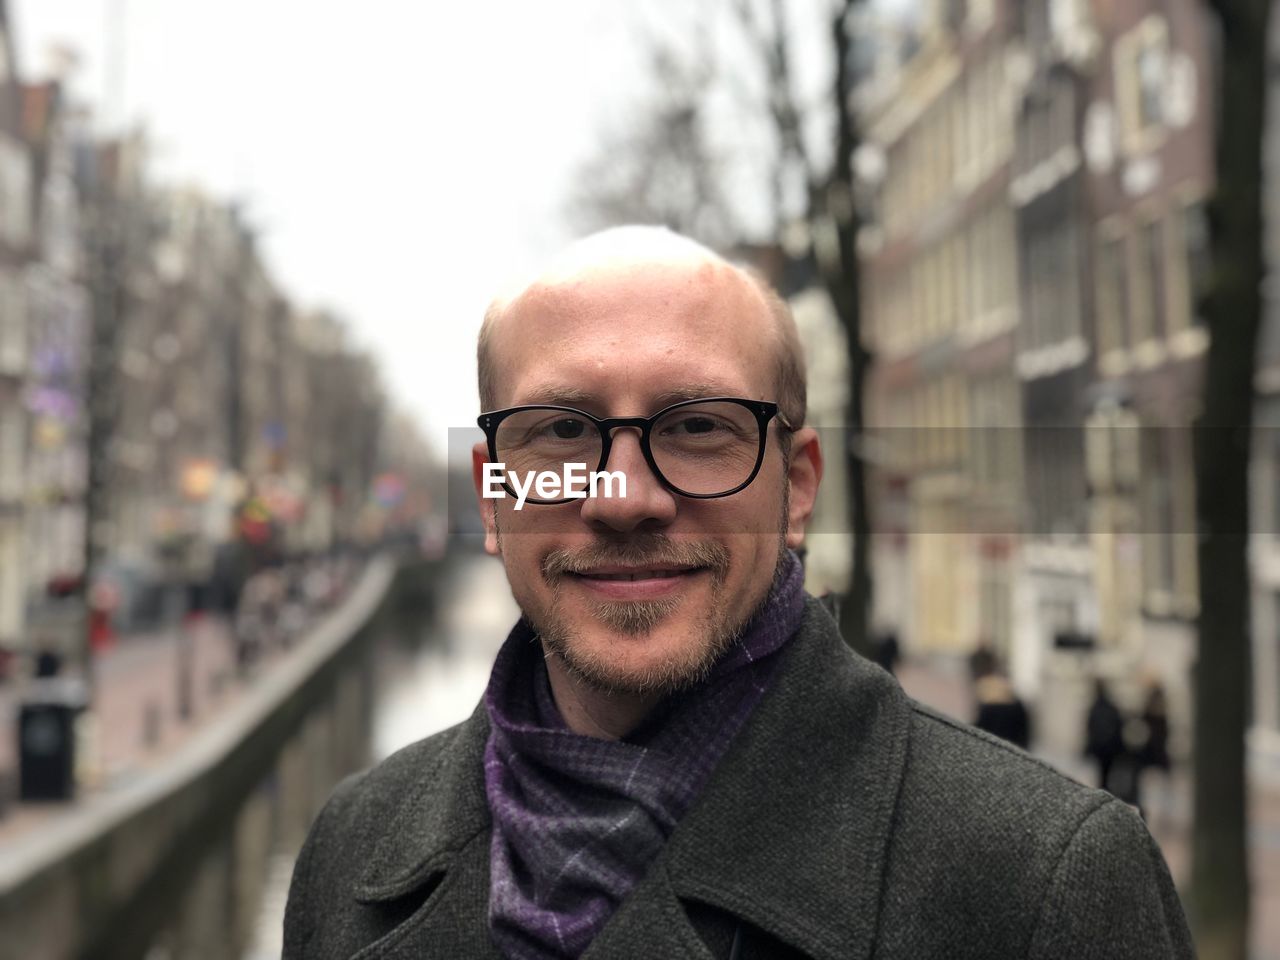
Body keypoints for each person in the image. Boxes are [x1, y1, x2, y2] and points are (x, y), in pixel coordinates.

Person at [284, 228, 1191, 959]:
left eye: (700, 427)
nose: (626, 497)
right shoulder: (351, 847)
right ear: (492, 498)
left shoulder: (1045, 885)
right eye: (562, 430)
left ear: (796, 487)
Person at [1085, 678, 1126, 795]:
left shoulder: (1097, 707)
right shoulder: (1110, 707)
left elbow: (1090, 727)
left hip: (1102, 748)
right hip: (1108, 748)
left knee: (1103, 774)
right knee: (1106, 775)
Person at [972, 669, 1030, 750]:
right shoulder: (1017, 705)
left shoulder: (989, 707)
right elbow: (1024, 734)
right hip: (1012, 749)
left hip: (992, 747)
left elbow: (979, 729)